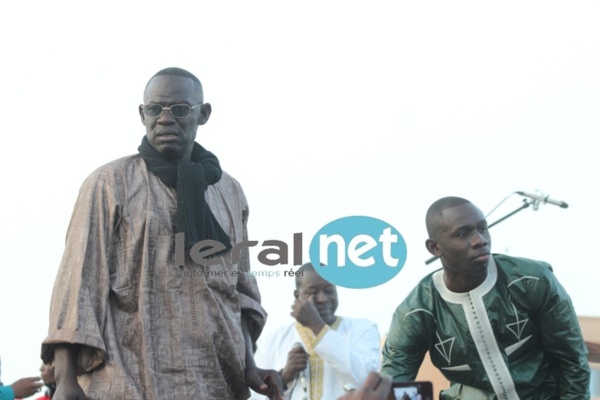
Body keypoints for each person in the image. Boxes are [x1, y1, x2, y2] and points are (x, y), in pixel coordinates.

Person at [41, 67, 282, 400]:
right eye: (155, 109)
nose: (166, 118)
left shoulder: (229, 192)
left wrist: (250, 366)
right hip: (130, 378)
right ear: (142, 115)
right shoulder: (110, 183)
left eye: (180, 109)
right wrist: (66, 381)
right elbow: (79, 285)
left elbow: (238, 293)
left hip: (216, 381)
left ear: (204, 113)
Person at [381, 196, 591, 399]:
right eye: (463, 234)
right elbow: (393, 386)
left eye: (482, 229)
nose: (480, 240)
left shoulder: (532, 280)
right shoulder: (416, 311)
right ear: (435, 247)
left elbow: (572, 362)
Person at [252, 263, 381, 399]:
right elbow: (254, 396)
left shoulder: (363, 329)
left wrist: (317, 325)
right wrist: (284, 377)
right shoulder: (271, 340)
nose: (323, 298)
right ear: (297, 296)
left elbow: (368, 381)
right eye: (313, 292)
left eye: (329, 290)